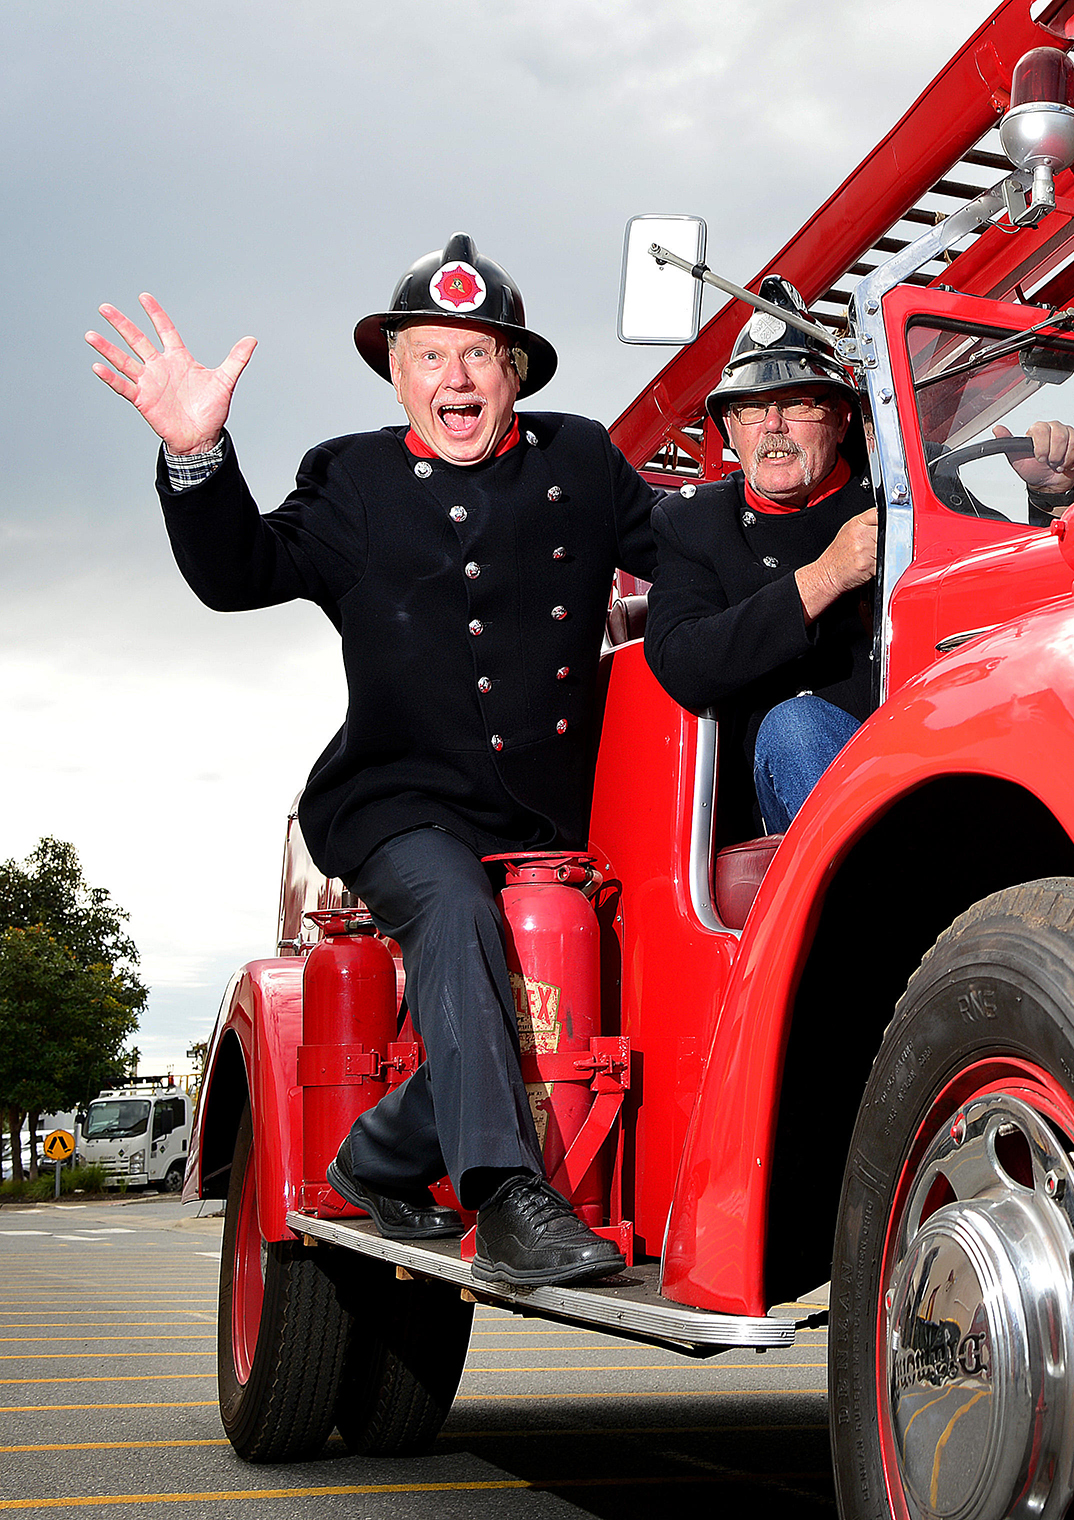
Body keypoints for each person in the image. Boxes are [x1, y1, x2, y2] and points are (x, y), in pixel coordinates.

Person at [88, 234, 656, 1288]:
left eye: (481, 355)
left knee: (551, 1008)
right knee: (453, 912)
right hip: (395, 802)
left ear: (514, 377)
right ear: (397, 375)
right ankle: (508, 1192)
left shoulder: (580, 462)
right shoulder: (350, 479)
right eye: (431, 355)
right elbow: (238, 570)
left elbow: (697, 550)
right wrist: (197, 457)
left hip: (547, 816)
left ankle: (377, 1154)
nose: (456, 377)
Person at [644, 279, 1074, 839]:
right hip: (800, 788)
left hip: (938, 748)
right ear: (730, 427)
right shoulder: (694, 523)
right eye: (753, 409)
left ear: (843, 417)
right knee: (797, 725)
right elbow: (684, 663)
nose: (773, 427)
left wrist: (1048, 497)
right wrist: (828, 576)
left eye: (797, 404)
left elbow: (1014, 611)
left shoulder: (907, 498)